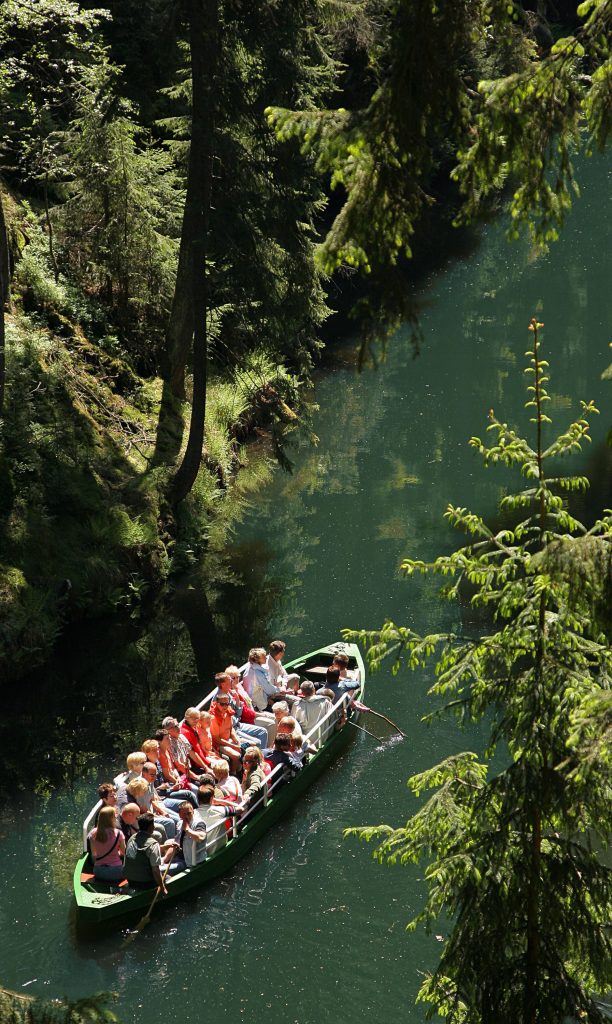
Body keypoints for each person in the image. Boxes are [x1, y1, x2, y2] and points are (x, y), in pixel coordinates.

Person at [226, 664, 276, 746]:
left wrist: (258, 711)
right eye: (233, 678)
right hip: (247, 718)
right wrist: (259, 714)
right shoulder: (231, 693)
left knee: (274, 717)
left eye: (237, 677)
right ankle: (268, 747)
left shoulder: (239, 687)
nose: (236, 680)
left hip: (252, 712)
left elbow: (249, 702)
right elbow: (244, 712)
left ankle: (273, 744)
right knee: (270, 724)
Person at [213, 672, 267, 748]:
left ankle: (263, 755)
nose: (231, 680)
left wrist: (237, 699)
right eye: (229, 679)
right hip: (232, 729)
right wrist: (237, 717)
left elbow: (238, 713)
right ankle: (258, 757)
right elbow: (227, 721)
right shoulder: (218, 700)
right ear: (223, 684)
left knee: (263, 732)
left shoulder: (229, 693)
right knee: (257, 742)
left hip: (238, 724)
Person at [120, 776, 177, 840]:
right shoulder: (129, 803)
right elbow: (134, 820)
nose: (144, 793)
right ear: (138, 790)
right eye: (144, 791)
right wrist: (154, 816)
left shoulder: (125, 789)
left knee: (162, 827)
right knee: (168, 824)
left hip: (137, 820)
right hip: (133, 827)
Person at [124, 813, 168, 893]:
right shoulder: (153, 844)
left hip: (130, 880)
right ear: (151, 827)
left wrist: (168, 846)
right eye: (153, 824)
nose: (154, 827)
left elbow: (143, 851)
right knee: (168, 877)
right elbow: (155, 870)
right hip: (145, 883)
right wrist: (162, 887)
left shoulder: (132, 838)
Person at [88, 805, 125, 883]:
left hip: (99, 872)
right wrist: (116, 853)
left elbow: (94, 855)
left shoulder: (93, 833)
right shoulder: (119, 833)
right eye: (115, 816)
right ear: (111, 819)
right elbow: (124, 852)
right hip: (117, 872)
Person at [195, 785, 233, 854]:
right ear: (212, 798)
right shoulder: (219, 810)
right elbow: (240, 809)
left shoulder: (192, 814)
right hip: (218, 849)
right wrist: (219, 801)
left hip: (199, 853)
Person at [209, 696, 242, 773]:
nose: (225, 706)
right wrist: (232, 745)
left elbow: (231, 729)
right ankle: (233, 773)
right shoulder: (213, 718)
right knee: (236, 755)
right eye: (222, 704)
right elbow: (216, 739)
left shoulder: (228, 712)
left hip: (228, 740)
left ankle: (241, 769)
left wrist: (236, 740)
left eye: (227, 704)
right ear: (217, 704)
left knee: (254, 744)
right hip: (219, 744)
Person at [172, 802, 207, 870]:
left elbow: (201, 837)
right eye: (184, 814)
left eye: (189, 813)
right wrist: (165, 859)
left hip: (189, 861)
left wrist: (187, 829)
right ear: (180, 815)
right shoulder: (179, 824)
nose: (187, 816)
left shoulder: (199, 823)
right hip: (179, 857)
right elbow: (177, 843)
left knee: (162, 870)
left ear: (193, 812)